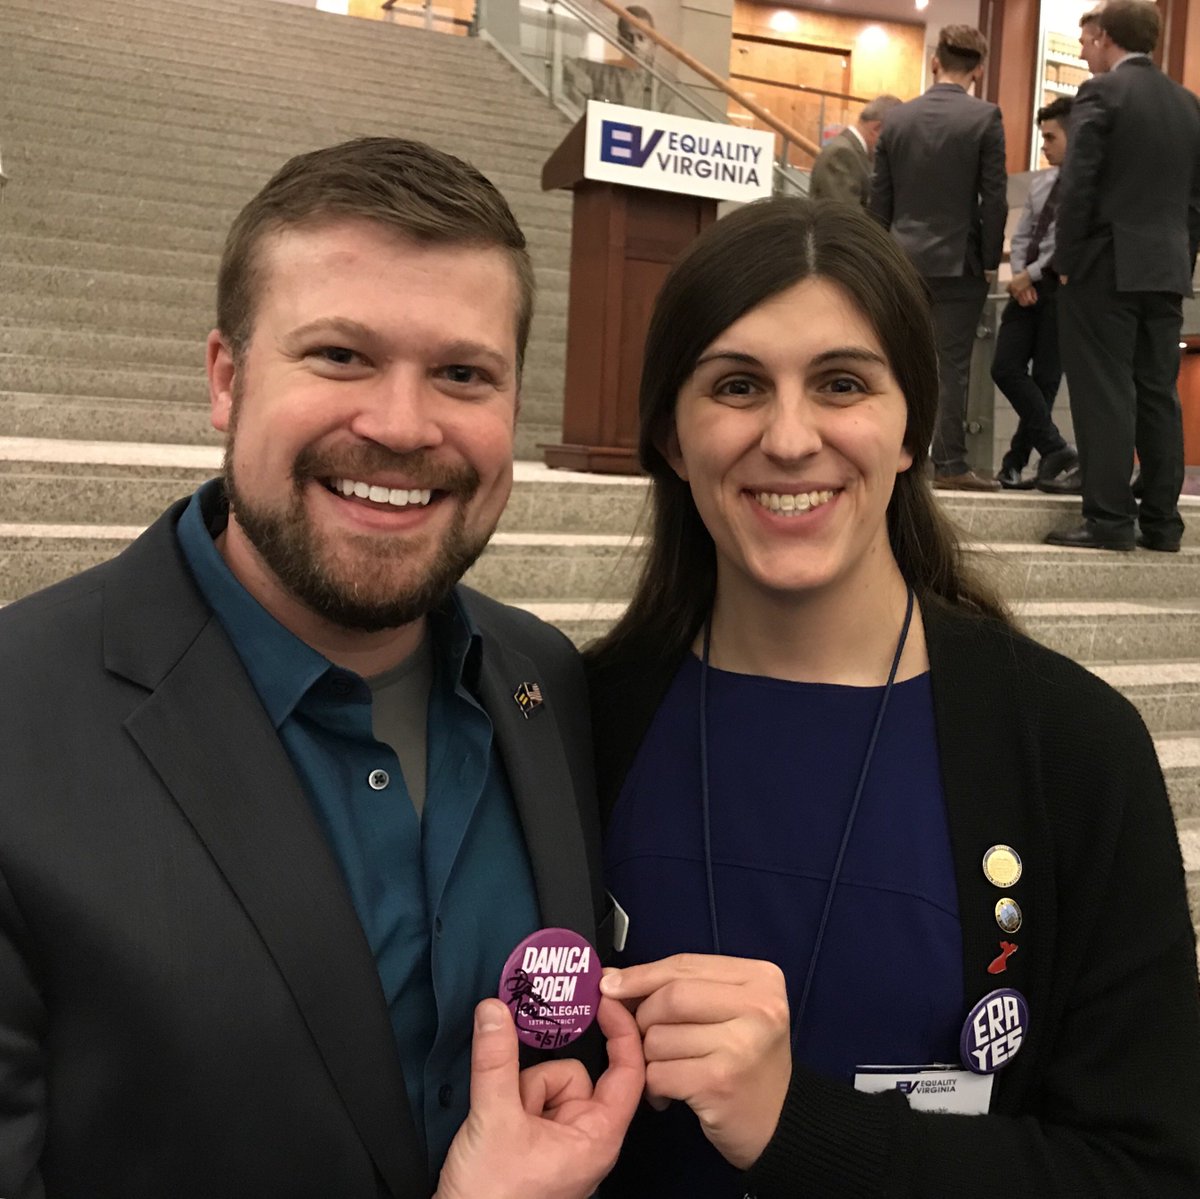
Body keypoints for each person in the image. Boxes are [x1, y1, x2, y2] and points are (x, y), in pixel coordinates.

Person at [0, 136, 642, 1199]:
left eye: (462, 373)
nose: (399, 424)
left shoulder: (541, 679)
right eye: (340, 355)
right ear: (225, 377)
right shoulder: (20, 722)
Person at [586, 196, 1200, 1197]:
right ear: (667, 431)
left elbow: (1146, 1167)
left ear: (911, 423)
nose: (790, 439)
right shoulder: (580, 719)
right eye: (738, 384)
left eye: (841, 383)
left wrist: (800, 1127)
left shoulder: (1072, 748)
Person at [1048, 0, 1200, 550]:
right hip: (1166, 268)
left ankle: (1109, 520)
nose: (1085, 51)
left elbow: (1079, 183)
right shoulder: (1188, 104)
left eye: (1087, 41)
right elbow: (1195, 203)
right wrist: (1183, 261)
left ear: (1108, 37)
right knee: (1158, 393)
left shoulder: (1102, 93)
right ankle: (1162, 524)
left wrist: (1065, 262)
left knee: (1104, 391)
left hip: (1105, 264)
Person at [870, 25, 1007, 492]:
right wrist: (989, 261)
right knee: (951, 365)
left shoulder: (897, 120)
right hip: (958, 262)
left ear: (934, 61)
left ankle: (890, 454)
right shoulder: (985, 118)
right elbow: (994, 199)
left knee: (894, 359)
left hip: (899, 260)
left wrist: (873, 259)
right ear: (980, 69)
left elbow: (879, 201)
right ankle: (949, 463)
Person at [991, 97, 1079, 491]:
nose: (1044, 145)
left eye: (1051, 137)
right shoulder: (1042, 182)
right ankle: (1055, 447)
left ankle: (1014, 465)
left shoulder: (1086, 185)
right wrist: (1020, 277)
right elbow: (1025, 232)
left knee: (1044, 382)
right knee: (1004, 367)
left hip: (1061, 287)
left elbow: (1067, 241)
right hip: (1027, 283)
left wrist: (1031, 275)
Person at [808, 94, 901, 207]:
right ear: (877, 129)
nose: (895, 144)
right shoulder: (841, 154)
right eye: (895, 135)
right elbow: (844, 217)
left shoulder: (856, 153)